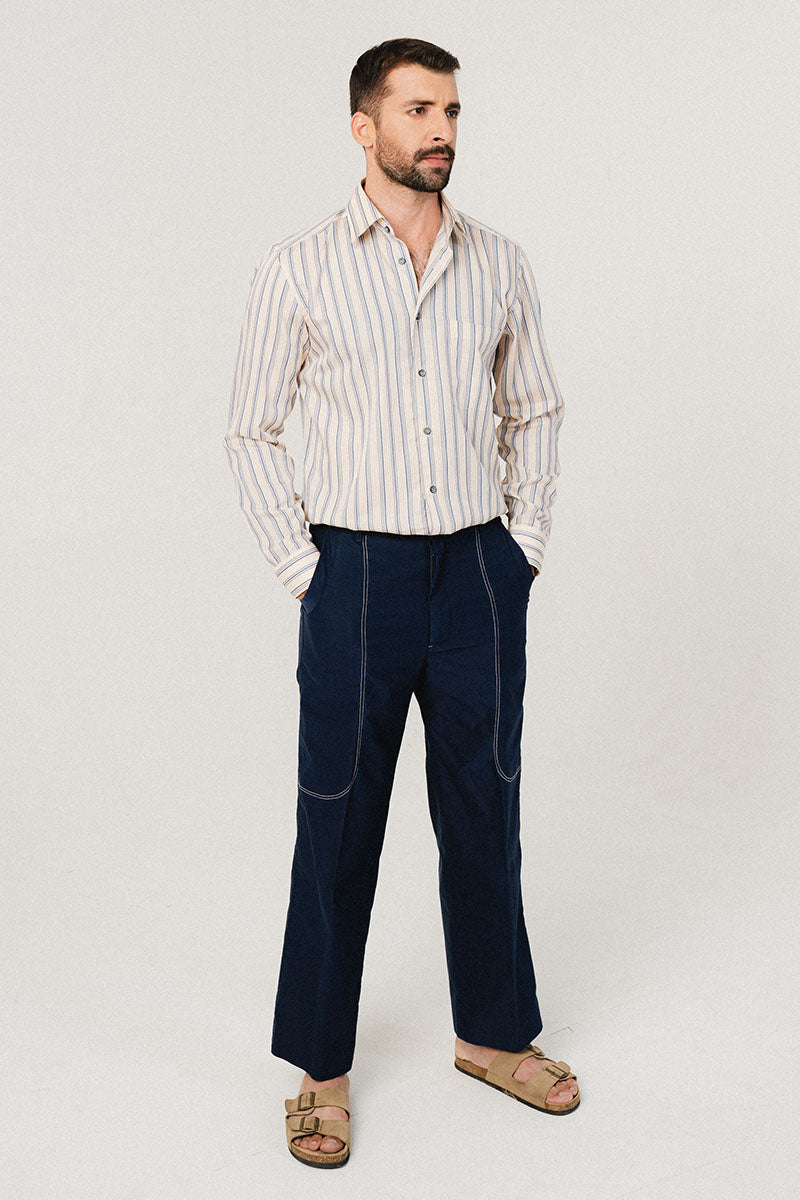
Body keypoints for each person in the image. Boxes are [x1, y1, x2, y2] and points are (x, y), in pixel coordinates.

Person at [223, 37, 578, 1169]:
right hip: (357, 577)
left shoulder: (498, 261)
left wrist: (519, 549)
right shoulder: (298, 266)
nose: (441, 131)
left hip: (476, 572)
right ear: (362, 126)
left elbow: (534, 408)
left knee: (486, 809)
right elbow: (249, 427)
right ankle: (320, 1070)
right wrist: (307, 571)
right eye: (417, 110)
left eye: (452, 110)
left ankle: (494, 1035)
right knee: (337, 817)